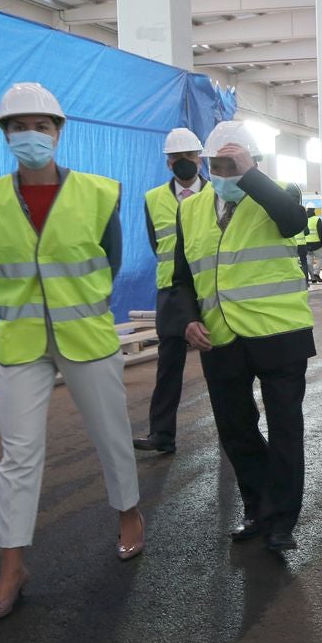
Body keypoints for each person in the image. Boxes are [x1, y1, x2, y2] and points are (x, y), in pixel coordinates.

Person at [0, 82, 144, 624]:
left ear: (59, 132)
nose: (31, 136)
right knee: (18, 455)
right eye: (19, 127)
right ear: (5, 134)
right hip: (22, 343)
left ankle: (129, 515)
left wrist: (78, 304)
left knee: (111, 433)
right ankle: (12, 566)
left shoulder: (97, 193)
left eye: (41, 126)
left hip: (85, 336)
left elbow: (110, 262)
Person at [166, 120, 314, 553]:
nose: (224, 172)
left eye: (233, 163)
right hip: (219, 338)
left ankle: (283, 520)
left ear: (254, 163)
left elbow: (291, 224)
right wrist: (188, 319)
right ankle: (258, 507)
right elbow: (180, 278)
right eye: (217, 164)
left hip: (279, 333)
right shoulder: (190, 209)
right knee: (236, 430)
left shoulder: (280, 193)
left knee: (286, 428)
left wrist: (249, 174)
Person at [134, 127, 207, 455]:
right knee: (168, 367)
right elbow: (156, 244)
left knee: (227, 367)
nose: (183, 162)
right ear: (168, 163)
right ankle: (162, 435)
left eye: (189, 156)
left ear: (200, 158)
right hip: (172, 292)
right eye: (176, 158)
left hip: (209, 287)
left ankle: (238, 432)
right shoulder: (153, 199)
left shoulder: (218, 192)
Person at [304, 207, 322, 282]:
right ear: (314, 210)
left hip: (307, 244)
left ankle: (312, 277)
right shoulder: (317, 219)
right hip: (317, 244)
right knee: (320, 258)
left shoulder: (305, 219)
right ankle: (316, 273)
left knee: (309, 262)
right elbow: (320, 232)